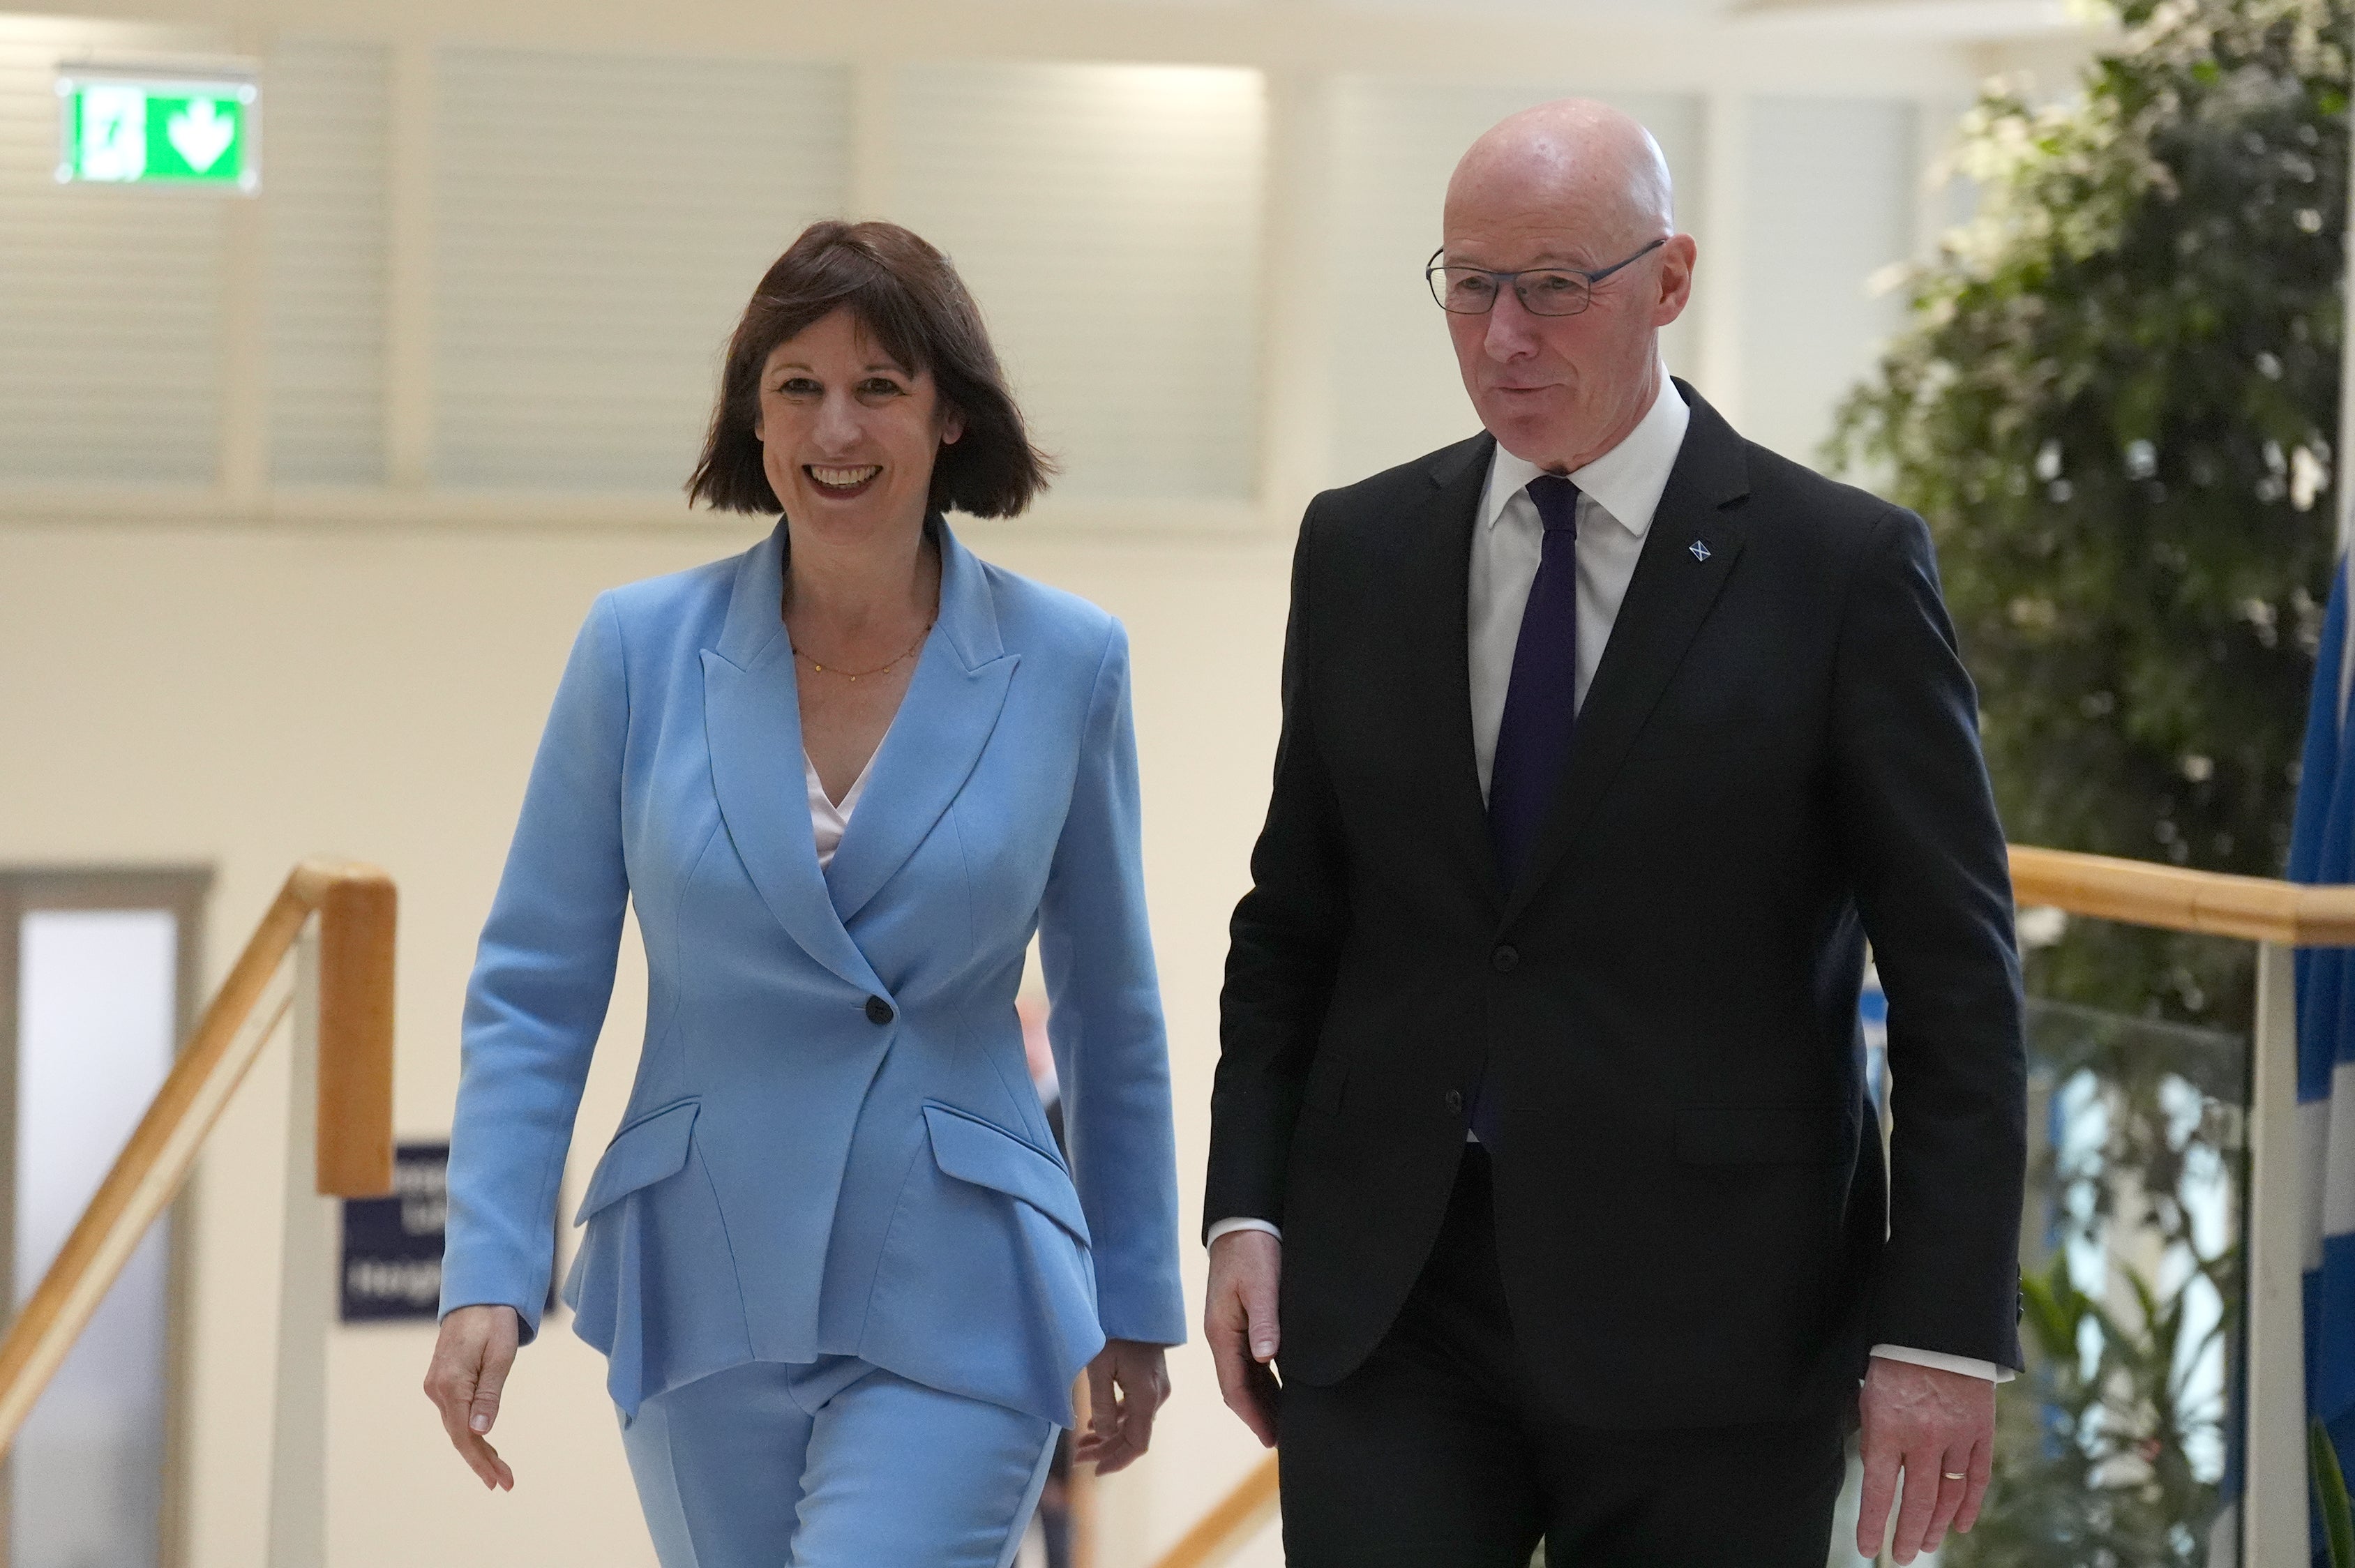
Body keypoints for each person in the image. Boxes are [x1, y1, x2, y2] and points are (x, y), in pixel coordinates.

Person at [1203, 100, 2026, 1568]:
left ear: (1668, 278)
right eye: (1468, 282)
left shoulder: (1838, 568)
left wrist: (1938, 1331)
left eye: (1552, 284)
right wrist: (1243, 1210)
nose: (1502, 332)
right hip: (1396, 1294)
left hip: (1716, 1321)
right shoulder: (1359, 546)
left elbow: (1957, 984)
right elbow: (1292, 923)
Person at [421, 219, 1184, 1568]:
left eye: (880, 386)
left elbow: (1110, 1005)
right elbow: (537, 989)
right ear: (753, 418)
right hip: (698, 1266)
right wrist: (488, 1265)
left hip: (960, 1277)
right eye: (798, 386)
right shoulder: (636, 651)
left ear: (949, 416)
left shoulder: (1069, 662)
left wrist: (1135, 1291)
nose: (838, 427)